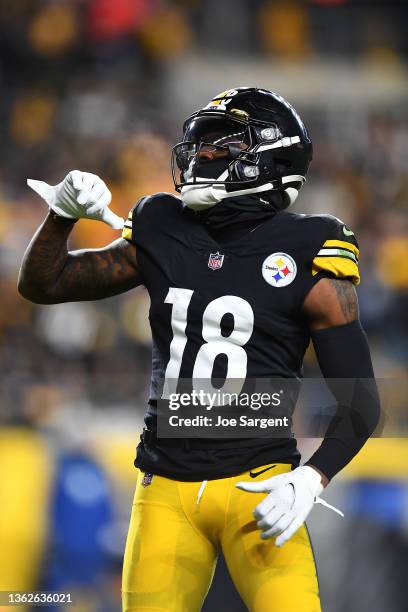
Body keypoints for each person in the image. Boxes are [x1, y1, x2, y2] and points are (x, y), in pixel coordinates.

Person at [18, 87, 380, 612]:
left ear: (270, 157)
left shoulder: (311, 250)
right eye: (198, 145)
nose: (199, 157)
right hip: (165, 488)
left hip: (259, 486)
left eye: (219, 147)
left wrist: (311, 476)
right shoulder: (163, 225)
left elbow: (361, 402)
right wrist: (61, 215)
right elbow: (44, 285)